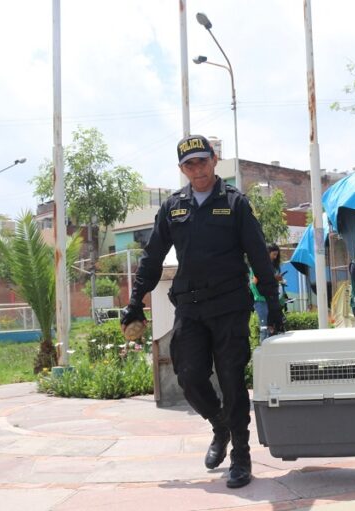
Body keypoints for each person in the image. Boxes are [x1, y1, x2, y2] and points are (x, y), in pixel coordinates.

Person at [119, 134, 284, 489]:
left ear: (214, 160)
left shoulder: (235, 203)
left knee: (231, 378)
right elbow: (152, 257)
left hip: (230, 306)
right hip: (190, 306)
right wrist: (135, 301)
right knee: (189, 376)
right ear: (182, 169)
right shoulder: (173, 207)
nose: (197, 169)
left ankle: (241, 454)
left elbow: (258, 256)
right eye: (189, 164)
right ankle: (219, 424)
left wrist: (273, 304)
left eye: (202, 161)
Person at [250, 243, 284, 342]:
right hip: (261, 300)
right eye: (273, 254)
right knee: (264, 326)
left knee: (271, 327)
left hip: (271, 299)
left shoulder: (273, 267)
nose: (275, 257)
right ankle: (263, 347)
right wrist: (259, 296)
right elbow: (253, 284)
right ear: (267, 253)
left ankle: (269, 347)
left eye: (276, 255)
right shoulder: (259, 266)